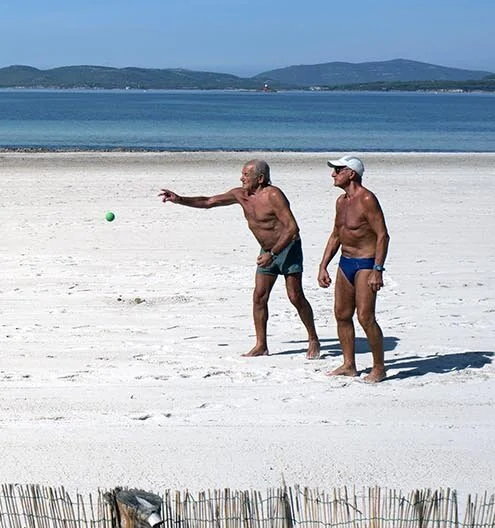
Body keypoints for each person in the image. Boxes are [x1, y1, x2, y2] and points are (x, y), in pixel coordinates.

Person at [160, 159, 321, 358]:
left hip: (287, 248)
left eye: (246, 175)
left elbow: (292, 229)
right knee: (259, 297)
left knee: (295, 296)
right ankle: (261, 345)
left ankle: (313, 339)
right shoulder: (240, 194)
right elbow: (209, 202)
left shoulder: (274, 195)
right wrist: (180, 199)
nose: (241, 178)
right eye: (242, 174)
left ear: (260, 178)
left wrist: (273, 254)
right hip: (266, 251)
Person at [316, 156, 391, 382]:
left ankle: (379, 367)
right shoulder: (341, 201)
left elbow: (382, 235)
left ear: (351, 173)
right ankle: (349, 364)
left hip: (366, 263)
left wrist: (378, 269)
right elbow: (336, 234)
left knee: (365, 317)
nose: (333, 174)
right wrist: (323, 265)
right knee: (341, 314)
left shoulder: (367, 199)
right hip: (346, 261)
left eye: (338, 170)